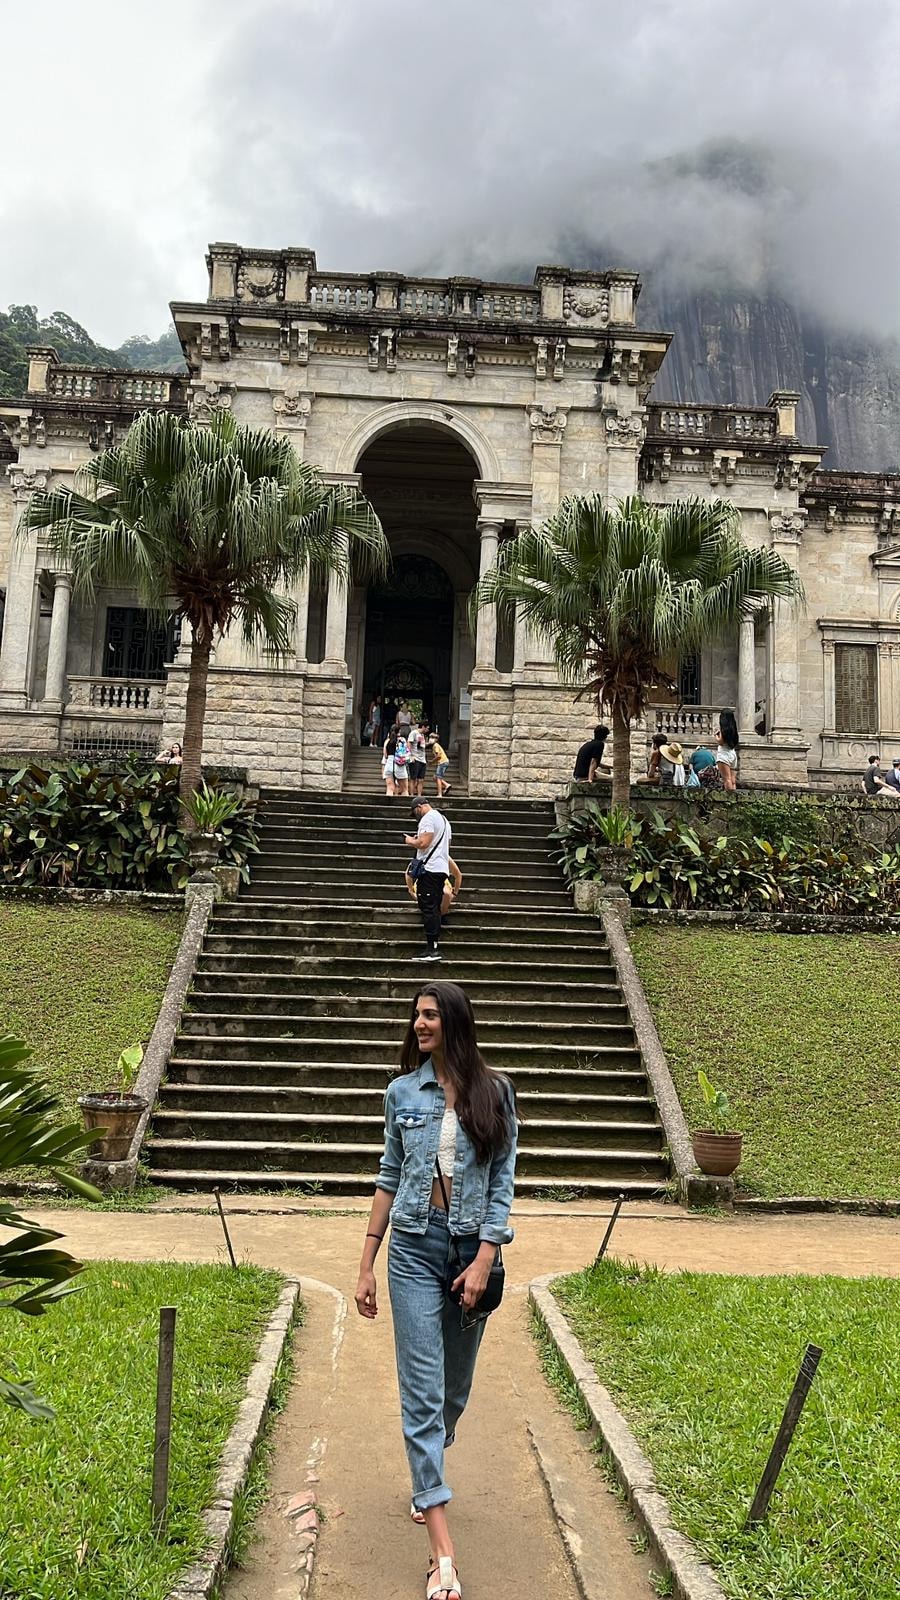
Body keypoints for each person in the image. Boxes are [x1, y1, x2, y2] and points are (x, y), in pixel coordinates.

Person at [354, 982, 518, 1600]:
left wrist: (484, 1258)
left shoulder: (495, 1092)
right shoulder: (402, 1093)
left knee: (453, 1390)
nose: (418, 1024)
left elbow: (502, 1179)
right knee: (421, 1393)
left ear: (453, 1022)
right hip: (413, 1253)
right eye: (415, 1015)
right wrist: (367, 1263)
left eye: (429, 1015)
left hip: (469, 1253)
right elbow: (389, 1176)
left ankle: (430, 1465)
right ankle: (442, 1554)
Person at [404, 798, 452, 961]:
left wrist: (410, 840)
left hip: (430, 870)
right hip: (440, 869)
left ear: (420, 807)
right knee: (434, 907)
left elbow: (423, 843)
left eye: (414, 812)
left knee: (428, 908)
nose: (415, 816)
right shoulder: (444, 820)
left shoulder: (428, 818)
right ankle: (433, 946)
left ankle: (432, 950)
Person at [406, 855, 463, 921]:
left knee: (446, 894)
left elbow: (458, 875)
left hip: (441, 883)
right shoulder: (421, 855)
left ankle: (440, 916)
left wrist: (454, 893)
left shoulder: (444, 856)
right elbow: (408, 873)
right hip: (423, 883)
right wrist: (411, 890)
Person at [715, 710, 740, 792]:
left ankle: (729, 800)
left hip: (724, 754)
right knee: (732, 780)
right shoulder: (733, 729)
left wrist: (716, 736)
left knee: (726, 779)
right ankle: (734, 798)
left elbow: (721, 741)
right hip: (732, 753)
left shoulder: (723, 729)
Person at [383, 730, 410, 797]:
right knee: (404, 789)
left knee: (389, 788)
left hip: (389, 763)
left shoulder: (387, 741)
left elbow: (385, 755)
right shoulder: (401, 740)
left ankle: (388, 805)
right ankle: (404, 805)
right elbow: (405, 753)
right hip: (399, 764)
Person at [408, 720, 428, 798]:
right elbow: (409, 743)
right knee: (413, 778)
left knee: (421, 779)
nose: (427, 730)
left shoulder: (422, 735)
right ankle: (412, 795)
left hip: (422, 759)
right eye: (427, 728)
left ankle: (419, 795)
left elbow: (422, 745)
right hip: (415, 758)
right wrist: (411, 755)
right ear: (423, 727)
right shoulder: (414, 733)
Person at [430, 733, 451, 797]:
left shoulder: (435, 745)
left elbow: (438, 756)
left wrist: (432, 761)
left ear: (436, 739)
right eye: (430, 737)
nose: (431, 739)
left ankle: (440, 794)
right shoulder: (436, 745)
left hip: (443, 762)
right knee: (435, 777)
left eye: (433, 738)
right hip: (443, 762)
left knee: (438, 778)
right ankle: (446, 785)